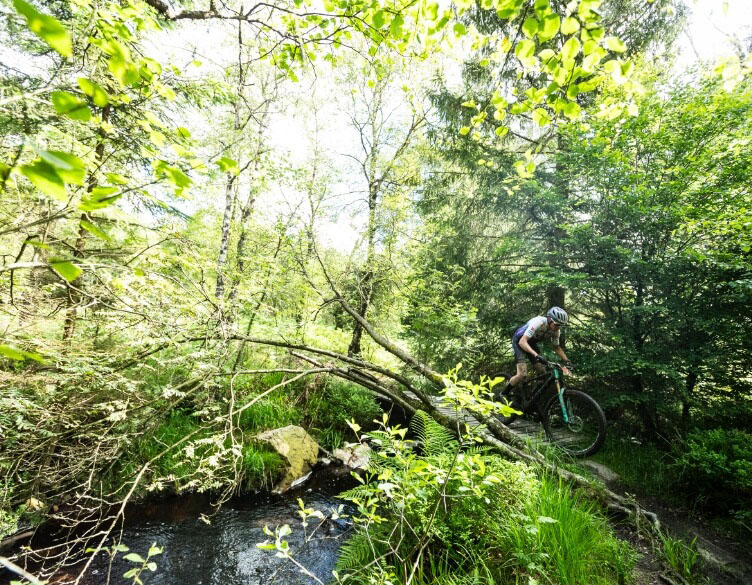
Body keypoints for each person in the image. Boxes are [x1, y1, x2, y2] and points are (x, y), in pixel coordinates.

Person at [498, 306, 572, 399]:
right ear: (549, 320)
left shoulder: (556, 331)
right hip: (519, 341)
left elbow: (556, 347)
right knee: (522, 374)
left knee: (543, 372)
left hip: (531, 343)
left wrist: (567, 361)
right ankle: (504, 393)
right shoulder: (539, 322)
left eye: (560, 325)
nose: (558, 328)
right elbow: (522, 342)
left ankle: (531, 398)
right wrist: (536, 355)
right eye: (557, 324)